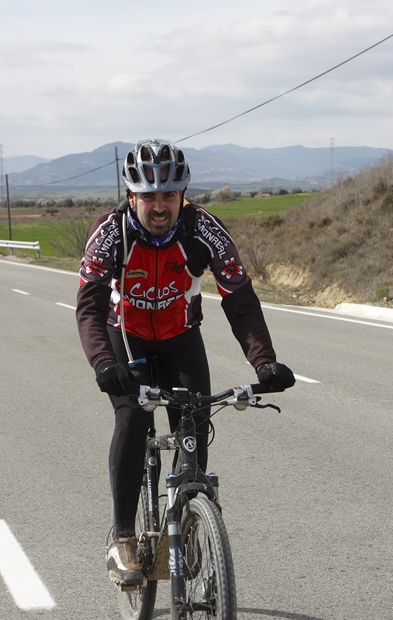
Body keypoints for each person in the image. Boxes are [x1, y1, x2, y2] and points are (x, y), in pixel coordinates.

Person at [76, 138, 295, 587]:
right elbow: (89, 306)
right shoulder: (110, 233)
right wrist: (102, 362)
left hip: (180, 336)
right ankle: (122, 537)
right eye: (149, 196)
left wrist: (264, 361)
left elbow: (240, 299)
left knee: (194, 421)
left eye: (169, 195)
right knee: (133, 418)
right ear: (131, 196)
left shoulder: (204, 230)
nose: (160, 206)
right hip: (127, 338)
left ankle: (191, 519)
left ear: (183, 195)